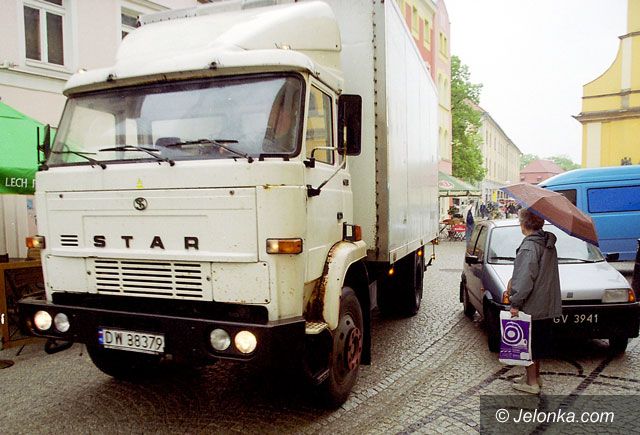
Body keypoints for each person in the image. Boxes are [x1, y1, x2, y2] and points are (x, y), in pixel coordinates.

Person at [508, 208, 561, 394]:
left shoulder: (529, 246)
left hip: (532, 304)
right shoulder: (547, 243)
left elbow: (525, 279)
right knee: (537, 343)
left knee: (527, 344)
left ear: (524, 224)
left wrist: (515, 303)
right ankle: (535, 377)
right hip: (545, 303)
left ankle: (531, 383)